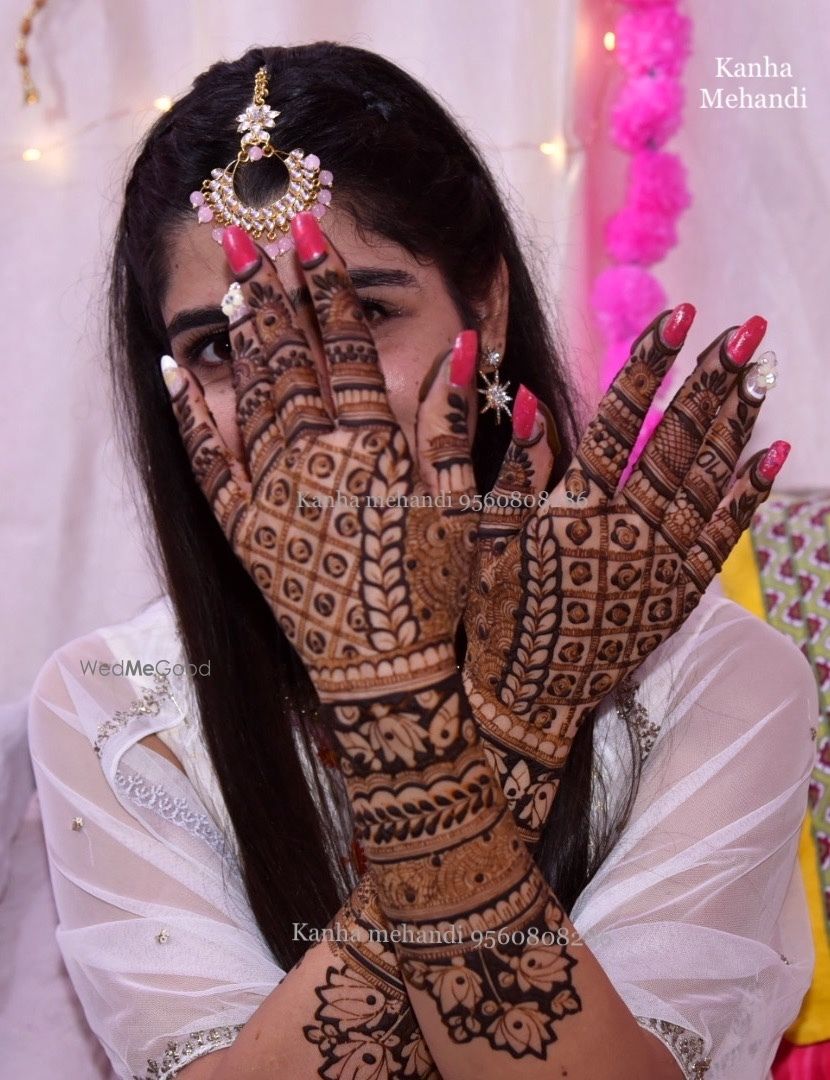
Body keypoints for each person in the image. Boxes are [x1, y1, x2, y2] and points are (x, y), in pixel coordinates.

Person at [27, 42, 817, 1080]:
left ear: (482, 310)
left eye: (363, 309)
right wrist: (501, 725)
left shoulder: (711, 679)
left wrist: (413, 718)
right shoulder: (115, 710)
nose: (299, 389)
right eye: (220, 346)